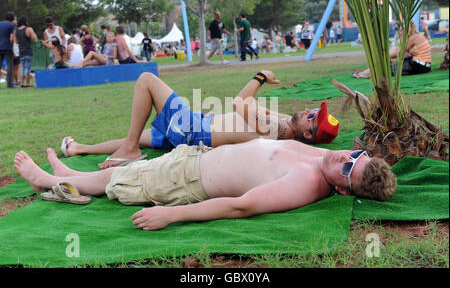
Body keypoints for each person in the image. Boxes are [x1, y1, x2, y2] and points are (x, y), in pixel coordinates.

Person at [15, 138, 397, 230]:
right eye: (354, 155)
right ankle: (64, 176)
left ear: (344, 189)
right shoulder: (319, 156)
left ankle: (47, 180)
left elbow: (241, 206)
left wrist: (172, 215)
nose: (343, 158)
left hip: (189, 181)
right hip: (194, 158)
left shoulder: (306, 183)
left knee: (115, 179)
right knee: (112, 175)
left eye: (349, 169)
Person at [60, 70, 340, 169]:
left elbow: (240, 102)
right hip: (197, 128)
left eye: (312, 118)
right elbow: (252, 108)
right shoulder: (285, 125)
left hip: (194, 131)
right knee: (142, 136)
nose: (309, 111)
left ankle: (130, 152)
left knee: (146, 80)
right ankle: (79, 148)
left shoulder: (277, 130)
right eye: (314, 110)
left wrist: (260, 77)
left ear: (306, 134)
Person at [353, 21, 431, 78]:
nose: (401, 31)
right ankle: (365, 72)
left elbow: (402, 50)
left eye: (403, 29)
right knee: (387, 59)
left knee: (388, 60)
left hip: (420, 65)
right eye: (401, 30)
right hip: (419, 65)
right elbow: (407, 54)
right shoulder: (414, 37)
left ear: (410, 29)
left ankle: (365, 73)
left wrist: (401, 37)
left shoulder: (414, 37)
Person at [15, 15, 38, 87]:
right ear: (25, 21)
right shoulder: (29, 29)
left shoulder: (16, 30)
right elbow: (35, 40)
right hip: (28, 51)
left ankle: (22, 83)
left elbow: (16, 42)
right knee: (28, 68)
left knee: (23, 67)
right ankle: (27, 83)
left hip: (21, 52)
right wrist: (34, 34)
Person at [0, 11, 16, 88]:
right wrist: (12, 46)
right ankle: (9, 84)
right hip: (7, 47)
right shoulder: (11, 25)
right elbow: (12, 37)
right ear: (12, 18)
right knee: (10, 65)